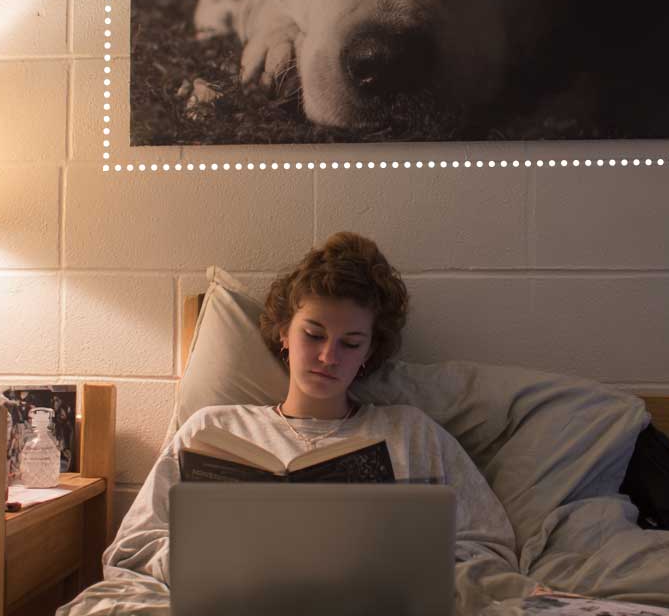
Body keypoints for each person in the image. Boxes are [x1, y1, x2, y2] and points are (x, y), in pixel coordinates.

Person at [103, 231, 517, 584]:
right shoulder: (211, 430)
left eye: (350, 343)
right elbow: (131, 550)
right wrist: (208, 562)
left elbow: (490, 550)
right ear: (284, 331)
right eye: (313, 335)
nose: (327, 357)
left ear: (370, 351)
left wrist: (402, 567)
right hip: (236, 611)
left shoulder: (412, 434)